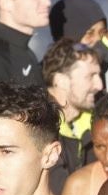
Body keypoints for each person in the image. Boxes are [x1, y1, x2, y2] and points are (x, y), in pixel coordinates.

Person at [42, 40, 103, 174]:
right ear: (61, 81)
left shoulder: (97, 123)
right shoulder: (37, 127)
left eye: (98, 75)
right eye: (90, 76)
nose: (99, 85)